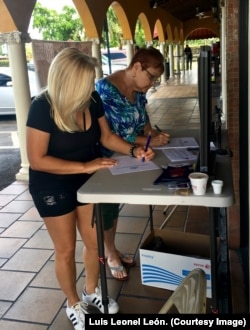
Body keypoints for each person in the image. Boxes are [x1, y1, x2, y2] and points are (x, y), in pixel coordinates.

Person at [26, 47, 154, 330]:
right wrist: (85, 166)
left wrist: (134, 150)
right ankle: (73, 303)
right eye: (85, 82)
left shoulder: (92, 99)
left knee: (93, 242)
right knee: (66, 249)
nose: (91, 87)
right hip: (52, 184)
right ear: (69, 82)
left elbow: (107, 137)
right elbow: (37, 160)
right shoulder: (41, 107)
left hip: (87, 179)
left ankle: (91, 291)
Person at [96, 46, 170, 281]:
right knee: (107, 206)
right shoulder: (106, 89)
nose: (151, 83)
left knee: (115, 206)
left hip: (130, 156)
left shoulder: (138, 90)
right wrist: (142, 143)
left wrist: (151, 134)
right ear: (137, 66)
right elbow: (113, 133)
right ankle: (109, 253)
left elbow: (143, 120)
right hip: (107, 156)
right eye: (151, 76)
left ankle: (112, 248)